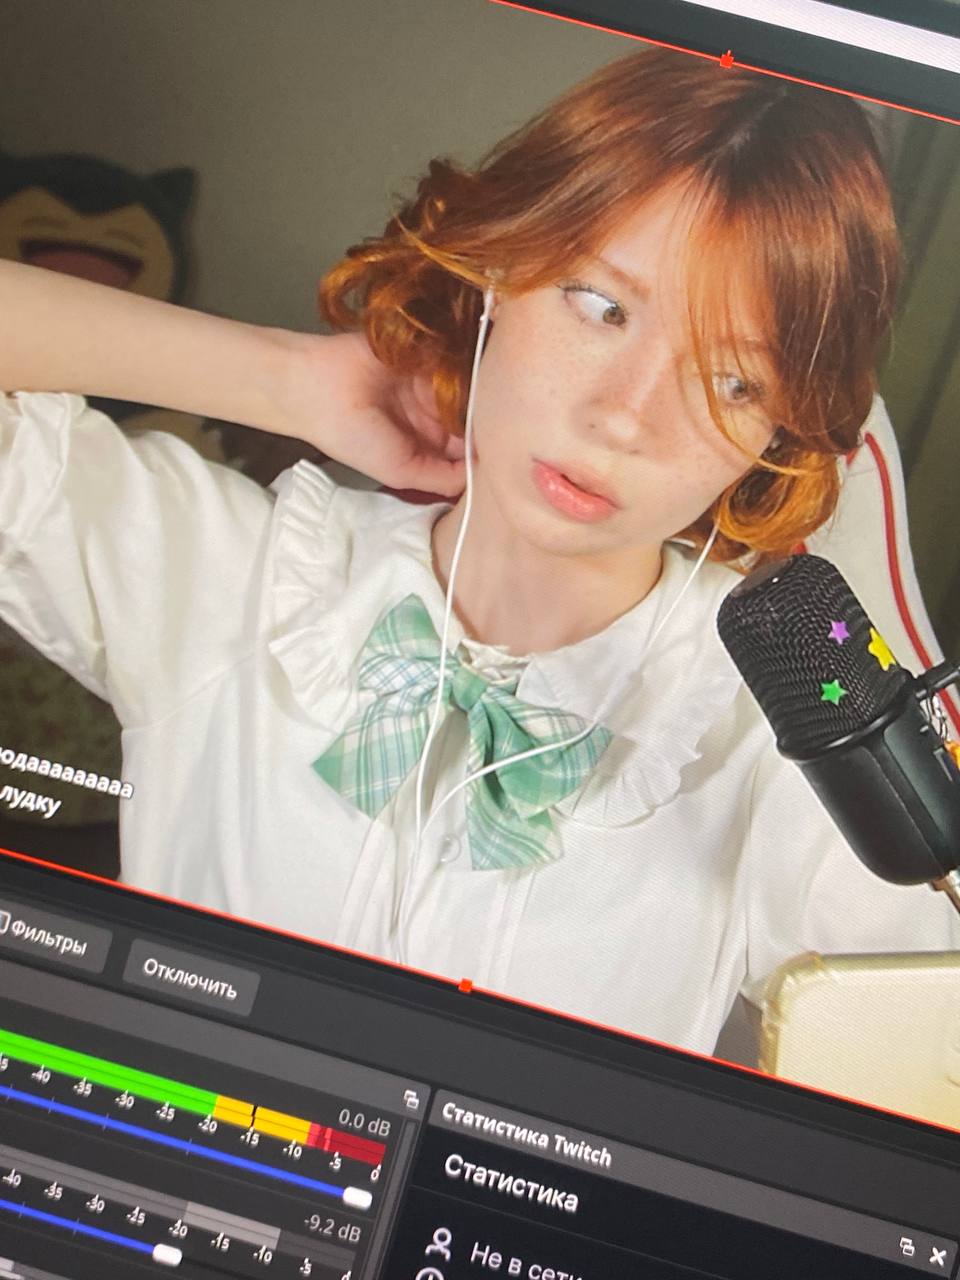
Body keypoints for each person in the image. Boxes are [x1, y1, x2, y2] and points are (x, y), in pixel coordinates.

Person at [0, 47, 956, 1058]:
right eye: (602, 306)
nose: (623, 417)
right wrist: (285, 378)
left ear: (778, 431)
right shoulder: (229, 573)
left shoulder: (775, 741)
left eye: (732, 382)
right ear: (504, 268)